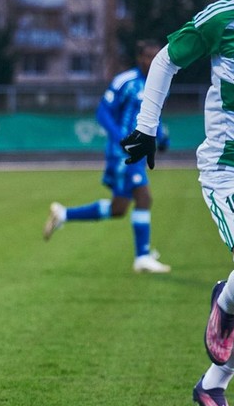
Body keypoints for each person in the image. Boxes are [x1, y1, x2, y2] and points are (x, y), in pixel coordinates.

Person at [121, 0, 234, 406]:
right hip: (226, 171)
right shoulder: (223, 19)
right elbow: (167, 59)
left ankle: (212, 384)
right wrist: (147, 128)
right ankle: (225, 304)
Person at [43, 40, 171, 273]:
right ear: (139, 58)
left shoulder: (159, 83)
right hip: (123, 154)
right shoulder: (126, 81)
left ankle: (63, 214)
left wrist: (161, 138)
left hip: (138, 154)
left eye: (157, 56)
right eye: (148, 56)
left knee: (119, 208)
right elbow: (102, 111)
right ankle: (142, 256)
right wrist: (121, 138)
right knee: (144, 197)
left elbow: (154, 116)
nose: (153, 61)